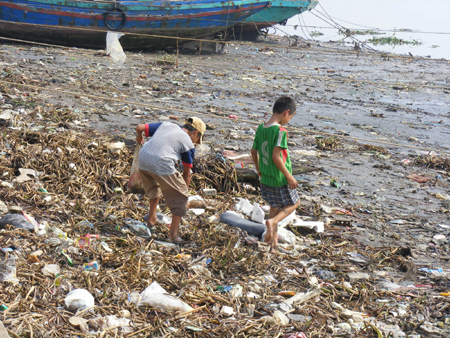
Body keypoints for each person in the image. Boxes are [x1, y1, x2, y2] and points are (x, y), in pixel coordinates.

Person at [136, 117, 206, 243]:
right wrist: (183, 193)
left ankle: (152, 219)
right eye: (197, 139)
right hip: (161, 162)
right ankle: (173, 235)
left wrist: (138, 138)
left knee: (154, 186)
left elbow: (139, 128)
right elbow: (186, 174)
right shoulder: (188, 144)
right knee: (181, 198)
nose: (195, 142)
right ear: (195, 133)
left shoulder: (166, 125)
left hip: (143, 159)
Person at [251, 96, 300, 253]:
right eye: (291, 117)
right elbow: (276, 157)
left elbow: (254, 151)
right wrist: (289, 176)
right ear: (287, 112)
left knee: (274, 206)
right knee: (294, 202)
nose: (289, 120)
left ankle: (272, 244)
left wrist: (258, 169)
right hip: (279, 178)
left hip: (265, 177)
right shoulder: (280, 131)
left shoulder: (261, 128)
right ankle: (273, 222)